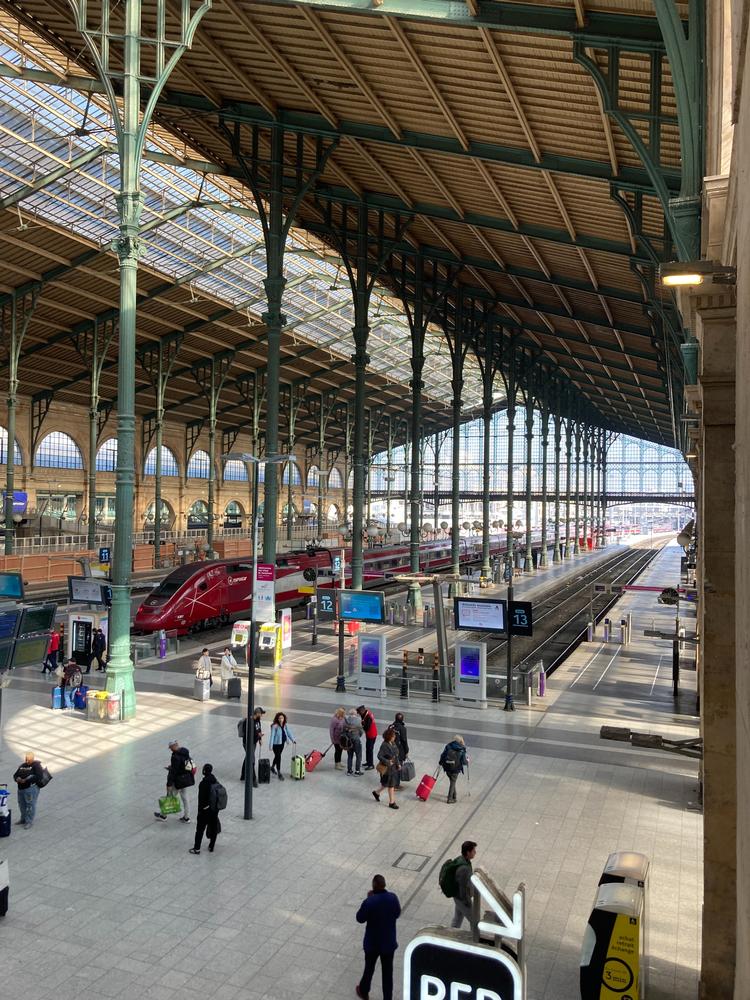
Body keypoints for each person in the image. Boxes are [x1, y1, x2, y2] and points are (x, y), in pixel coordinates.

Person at [355, 874, 401, 1000]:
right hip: (388, 943)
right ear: (384, 885)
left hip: (372, 943)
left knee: (369, 968)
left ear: (374, 885)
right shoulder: (393, 897)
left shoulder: (370, 901)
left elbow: (360, 918)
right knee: (387, 973)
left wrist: (368, 899)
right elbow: (397, 913)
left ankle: (364, 991)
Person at [154, 739, 195, 821]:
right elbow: (183, 765)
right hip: (186, 779)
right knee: (185, 798)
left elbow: (173, 772)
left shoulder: (175, 757)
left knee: (170, 797)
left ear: (174, 746)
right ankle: (186, 817)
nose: (170, 749)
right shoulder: (185, 752)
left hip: (178, 781)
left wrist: (169, 784)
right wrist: (172, 767)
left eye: (171, 747)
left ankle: (163, 816)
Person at [189, 764, 221, 855]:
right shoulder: (215, 781)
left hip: (205, 810)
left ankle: (197, 848)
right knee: (213, 827)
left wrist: (200, 810)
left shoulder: (203, 784)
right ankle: (211, 846)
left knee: (200, 830)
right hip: (214, 810)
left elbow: (201, 799)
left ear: (204, 771)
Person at [449, 840, 478, 930]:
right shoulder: (464, 868)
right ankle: (474, 939)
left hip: (458, 897)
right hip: (462, 898)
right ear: (468, 852)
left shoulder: (461, 859)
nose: (475, 853)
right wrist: (467, 902)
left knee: (458, 918)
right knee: (475, 921)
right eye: (473, 851)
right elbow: (462, 887)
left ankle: (451, 934)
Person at [13, 752, 45, 830]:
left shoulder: (36, 765)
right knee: (22, 805)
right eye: (26, 759)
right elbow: (15, 775)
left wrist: (26, 780)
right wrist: (17, 779)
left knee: (30, 805)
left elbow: (39, 776)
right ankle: (23, 819)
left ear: (33, 758)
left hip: (30, 789)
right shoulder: (22, 766)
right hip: (21, 789)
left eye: (29, 759)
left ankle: (29, 821)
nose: (27, 761)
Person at [372, 728, 400, 810]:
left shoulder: (393, 743)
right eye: (393, 736)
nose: (394, 737)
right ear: (389, 737)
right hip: (387, 769)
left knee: (386, 784)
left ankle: (376, 793)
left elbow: (396, 755)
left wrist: (398, 764)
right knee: (391, 785)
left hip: (393, 767)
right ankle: (392, 802)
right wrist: (388, 762)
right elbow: (379, 756)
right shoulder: (384, 745)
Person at [240, 706, 265, 784]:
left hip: (254, 743)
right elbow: (248, 734)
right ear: (257, 713)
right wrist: (258, 736)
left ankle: (243, 775)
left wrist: (260, 739)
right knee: (252, 760)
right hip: (248, 743)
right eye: (261, 714)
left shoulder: (258, 720)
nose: (262, 715)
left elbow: (259, 730)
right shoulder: (249, 721)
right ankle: (253, 779)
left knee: (248, 757)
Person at [439, 734, 468, 804]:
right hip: (455, 768)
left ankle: (454, 796)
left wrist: (440, 763)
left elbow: (442, 755)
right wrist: (467, 761)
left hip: (447, 767)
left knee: (452, 781)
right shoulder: (462, 749)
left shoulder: (448, 746)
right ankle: (450, 798)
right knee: (452, 782)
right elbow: (464, 762)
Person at [268, 711, 295, 780]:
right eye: (279, 718)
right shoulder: (275, 726)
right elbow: (272, 736)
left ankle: (272, 767)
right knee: (278, 757)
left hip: (282, 743)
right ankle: (279, 772)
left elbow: (288, 733)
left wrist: (293, 740)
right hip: (275, 745)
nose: (281, 719)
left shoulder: (285, 725)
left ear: (284, 719)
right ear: (277, 719)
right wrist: (270, 746)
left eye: (282, 718)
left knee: (277, 756)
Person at [343, 707, 364, 776]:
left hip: (348, 741)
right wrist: (358, 736)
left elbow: (343, 731)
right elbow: (361, 731)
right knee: (358, 756)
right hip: (356, 740)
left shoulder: (345, 720)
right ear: (355, 714)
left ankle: (349, 771)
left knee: (350, 756)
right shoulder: (358, 720)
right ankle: (357, 771)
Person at [357, 705, 378, 770]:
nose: (358, 714)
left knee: (370, 749)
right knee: (367, 748)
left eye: (359, 713)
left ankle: (371, 764)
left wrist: (362, 725)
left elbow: (367, 728)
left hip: (372, 735)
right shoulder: (366, 713)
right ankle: (368, 762)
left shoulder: (368, 716)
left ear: (362, 711)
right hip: (369, 735)